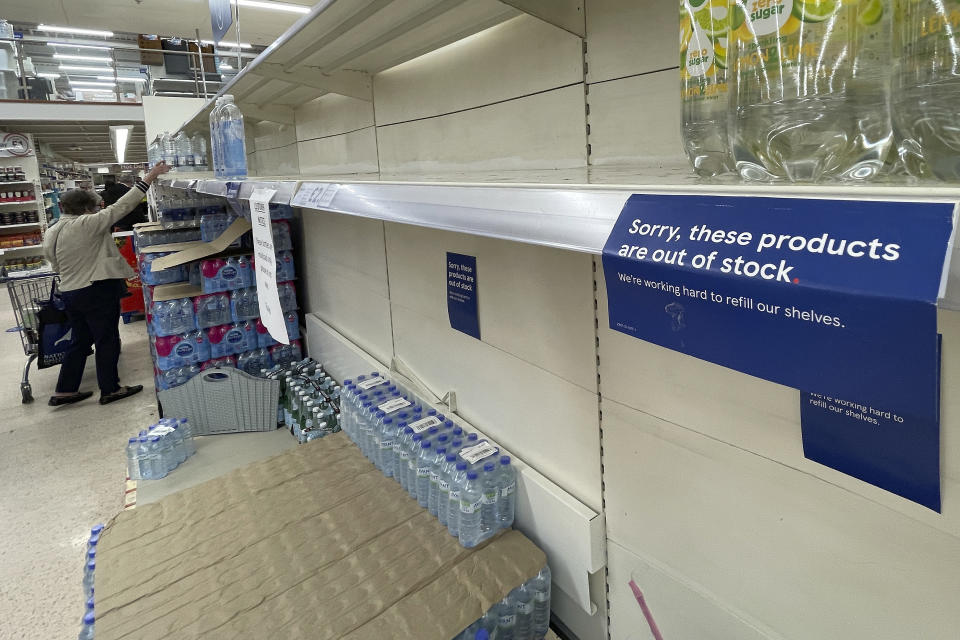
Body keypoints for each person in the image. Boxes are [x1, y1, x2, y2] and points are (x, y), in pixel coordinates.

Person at [43, 162, 171, 406]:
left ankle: (65, 390)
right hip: (95, 290)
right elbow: (123, 205)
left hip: (69, 291)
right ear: (88, 208)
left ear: (62, 207)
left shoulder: (53, 230)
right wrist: (150, 176)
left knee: (80, 340)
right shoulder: (87, 224)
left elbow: (52, 260)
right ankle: (110, 389)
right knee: (106, 339)